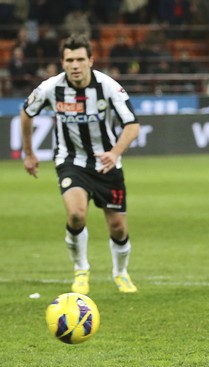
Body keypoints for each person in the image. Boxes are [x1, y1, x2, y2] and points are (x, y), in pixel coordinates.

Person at [21, 34, 141, 294]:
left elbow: (132, 125)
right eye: (70, 60)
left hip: (106, 163)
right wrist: (29, 153)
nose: (75, 65)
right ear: (62, 62)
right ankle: (81, 269)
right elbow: (26, 111)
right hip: (70, 161)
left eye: (80, 59)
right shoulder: (51, 88)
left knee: (118, 227)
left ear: (91, 61)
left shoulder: (108, 87)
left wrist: (115, 152)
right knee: (76, 215)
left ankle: (120, 273)